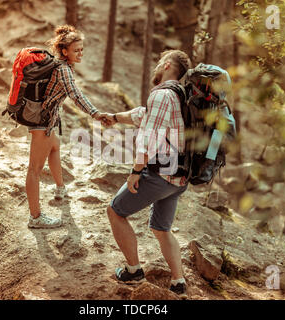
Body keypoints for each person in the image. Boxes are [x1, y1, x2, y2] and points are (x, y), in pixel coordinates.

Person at [104, 50, 192, 298]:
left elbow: (148, 137)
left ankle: (133, 271)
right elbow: (143, 115)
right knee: (161, 229)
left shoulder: (163, 95)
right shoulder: (180, 95)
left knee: (115, 211)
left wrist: (136, 171)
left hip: (160, 175)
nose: (155, 68)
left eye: (157, 64)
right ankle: (178, 282)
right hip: (179, 178)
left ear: (165, 65)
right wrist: (114, 118)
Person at [27, 25, 109, 229]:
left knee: (54, 148)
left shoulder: (64, 66)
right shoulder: (63, 69)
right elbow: (75, 95)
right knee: (34, 170)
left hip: (48, 119)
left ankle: (60, 188)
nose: (80, 53)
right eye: (76, 50)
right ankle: (35, 217)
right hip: (42, 121)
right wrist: (95, 113)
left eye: (82, 49)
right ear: (64, 51)